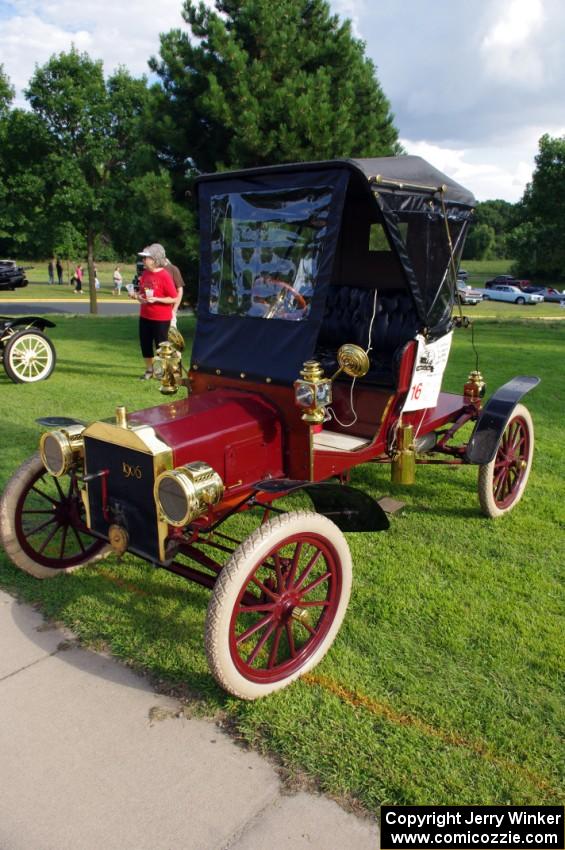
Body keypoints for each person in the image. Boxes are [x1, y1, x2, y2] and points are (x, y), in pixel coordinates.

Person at [130, 244, 177, 379]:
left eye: (146, 258)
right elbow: (143, 294)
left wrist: (157, 299)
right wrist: (137, 297)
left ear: (155, 260)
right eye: (143, 258)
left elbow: (173, 298)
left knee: (161, 346)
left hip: (161, 318)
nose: (143, 261)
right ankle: (149, 370)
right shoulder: (145, 273)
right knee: (145, 344)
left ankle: (162, 373)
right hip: (145, 316)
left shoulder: (165, 276)